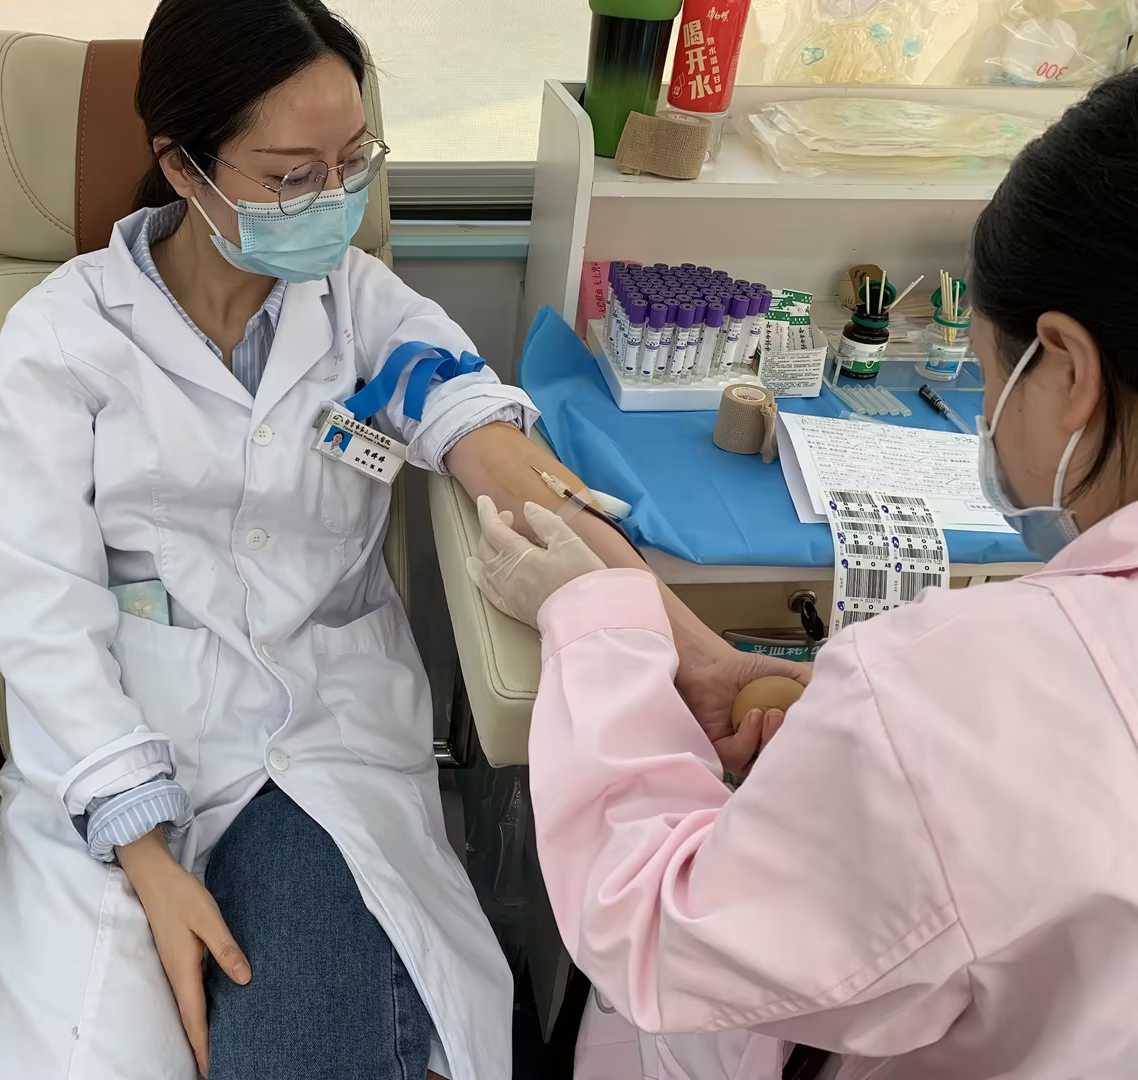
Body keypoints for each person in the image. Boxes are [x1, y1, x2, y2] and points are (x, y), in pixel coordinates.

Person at [0, 2, 801, 1078]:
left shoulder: (360, 311)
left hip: (317, 738)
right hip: (116, 736)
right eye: (293, 175)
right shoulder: (63, 339)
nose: (335, 198)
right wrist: (146, 858)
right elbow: (41, 611)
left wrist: (700, 657)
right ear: (183, 165)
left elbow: (519, 474)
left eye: (354, 162)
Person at [467, 69, 1138, 1080]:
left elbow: (655, 931)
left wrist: (591, 618)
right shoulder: (963, 698)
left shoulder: (965, 693)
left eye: (992, 370)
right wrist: (784, 692)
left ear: (1071, 369)